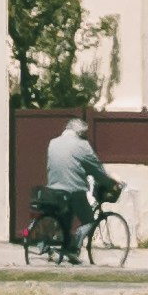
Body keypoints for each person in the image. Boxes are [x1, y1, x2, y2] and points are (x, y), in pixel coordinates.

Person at [33, 111, 121, 264]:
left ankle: (61, 246)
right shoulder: (82, 145)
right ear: (80, 132)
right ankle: (73, 249)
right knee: (89, 221)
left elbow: (66, 164)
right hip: (73, 190)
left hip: (53, 189)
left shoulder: (53, 142)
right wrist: (109, 183)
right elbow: (96, 169)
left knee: (65, 219)